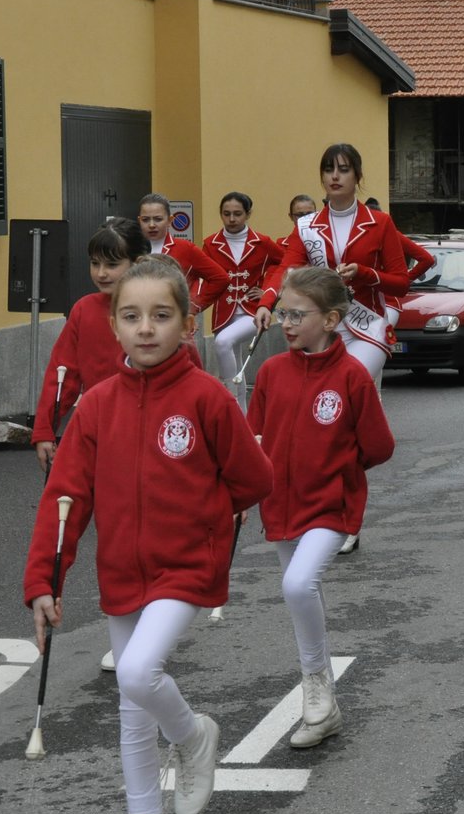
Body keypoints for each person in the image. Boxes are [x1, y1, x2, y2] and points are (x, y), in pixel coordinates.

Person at [24, 256, 274, 814]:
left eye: (161, 316)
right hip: (122, 571)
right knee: (132, 712)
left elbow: (252, 479)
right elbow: (65, 498)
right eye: (131, 316)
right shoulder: (97, 407)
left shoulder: (209, 398)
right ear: (113, 326)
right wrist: (44, 579)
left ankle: (191, 739)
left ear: (187, 324)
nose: (145, 328)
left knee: (138, 674)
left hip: (187, 566)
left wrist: (211, 517)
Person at [247, 266, 394, 748]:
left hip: (332, 506)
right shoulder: (270, 372)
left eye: (296, 314)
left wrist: (338, 469)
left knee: (297, 583)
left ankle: (315, 684)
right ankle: (325, 705)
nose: (285, 323)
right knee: (299, 595)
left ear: (331, 319)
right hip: (280, 506)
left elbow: (379, 445)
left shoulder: (352, 375)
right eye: (283, 313)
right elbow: (255, 437)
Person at [255, 143, 411, 555]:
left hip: (366, 327)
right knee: (319, 420)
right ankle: (325, 508)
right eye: (328, 169)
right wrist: (266, 303)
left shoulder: (379, 223)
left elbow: (401, 281)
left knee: (342, 403)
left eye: (344, 169)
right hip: (321, 326)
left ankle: (345, 513)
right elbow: (284, 266)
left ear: (359, 176)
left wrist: (366, 273)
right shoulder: (308, 226)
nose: (335, 176)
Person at [32, 217, 149, 472]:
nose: (101, 273)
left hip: (151, 427)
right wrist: (45, 428)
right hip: (97, 427)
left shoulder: (158, 310)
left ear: (137, 262)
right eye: (95, 263)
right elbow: (62, 374)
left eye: (112, 264)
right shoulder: (84, 310)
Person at [202, 192, 286, 399]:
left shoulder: (262, 242)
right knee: (235, 361)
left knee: (222, 342)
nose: (231, 219)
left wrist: (268, 291)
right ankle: (241, 419)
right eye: (226, 214)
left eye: (237, 214)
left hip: (253, 311)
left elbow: (284, 264)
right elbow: (201, 274)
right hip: (224, 312)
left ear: (248, 214)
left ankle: (228, 399)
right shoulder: (211, 243)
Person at [136, 194, 227, 319]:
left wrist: (194, 306)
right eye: (146, 220)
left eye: (158, 219)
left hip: (175, 320)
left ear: (170, 220)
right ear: (139, 220)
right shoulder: (131, 248)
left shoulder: (185, 248)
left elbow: (220, 278)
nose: (151, 225)